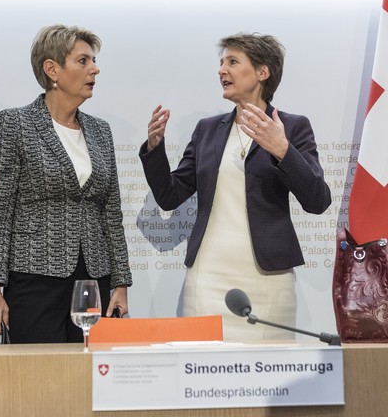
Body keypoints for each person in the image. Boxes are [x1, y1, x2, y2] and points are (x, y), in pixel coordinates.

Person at [140, 33, 332, 341]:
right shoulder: (207, 130)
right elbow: (169, 195)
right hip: (206, 280)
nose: (221, 70)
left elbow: (318, 200)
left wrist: (282, 149)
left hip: (268, 281)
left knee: (270, 377)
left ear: (262, 72)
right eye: (221, 63)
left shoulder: (293, 127)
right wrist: (154, 149)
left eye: (232, 62)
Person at [0, 25, 131, 343]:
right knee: (37, 381)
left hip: (94, 281)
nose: (94, 69)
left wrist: (121, 284)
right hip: (35, 280)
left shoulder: (100, 131)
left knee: (89, 381)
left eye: (94, 61)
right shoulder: (15, 124)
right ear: (52, 69)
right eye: (83, 61)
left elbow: (111, 216)